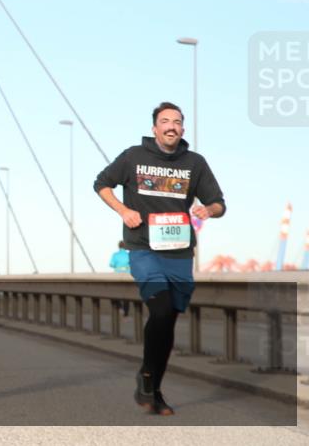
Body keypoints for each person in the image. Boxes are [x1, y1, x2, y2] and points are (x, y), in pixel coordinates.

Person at [94, 101, 226, 417]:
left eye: (177, 122)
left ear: (182, 128)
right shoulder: (133, 157)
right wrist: (124, 210)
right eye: (165, 121)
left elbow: (219, 202)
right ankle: (149, 381)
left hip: (180, 254)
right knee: (162, 307)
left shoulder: (195, 162)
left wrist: (208, 210)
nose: (171, 126)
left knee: (167, 320)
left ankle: (152, 385)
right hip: (143, 249)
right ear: (154, 128)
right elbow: (101, 183)